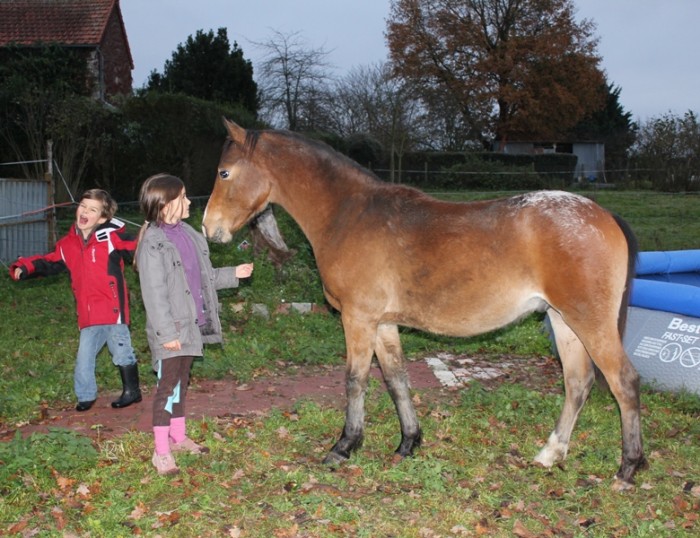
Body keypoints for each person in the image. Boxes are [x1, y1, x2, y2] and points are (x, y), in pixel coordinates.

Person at [135, 173, 253, 475]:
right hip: (172, 329)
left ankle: (178, 437)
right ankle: (161, 452)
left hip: (191, 325)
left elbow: (205, 277)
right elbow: (154, 295)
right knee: (167, 389)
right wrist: (167, 334)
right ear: (166, 204)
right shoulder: (153, 244)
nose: (189, 202)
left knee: (181, 383)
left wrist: (233, 274)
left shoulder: (188, 234)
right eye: (183, 197)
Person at [10, 189, 142, 411]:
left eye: (92, 210)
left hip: (113, 310)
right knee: (84, 357)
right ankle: (86, 395)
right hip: (88, 312)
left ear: (102, 218)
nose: (85, 212)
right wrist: (26, 267)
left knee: (121, 352)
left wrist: (150, 237)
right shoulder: (67, 245)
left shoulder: (111, 238)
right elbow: (48, 262)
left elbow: (136, 246)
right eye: (83, 206)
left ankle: (132, 391)